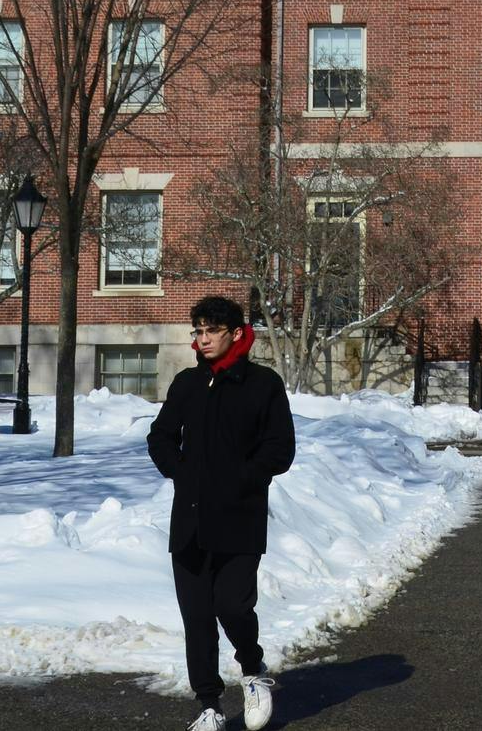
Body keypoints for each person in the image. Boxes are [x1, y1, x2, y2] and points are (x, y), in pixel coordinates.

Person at [148, 295, 296, 731]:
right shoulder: (187, 385)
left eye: (211, 330)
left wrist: (241, 481)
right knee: (197, 620)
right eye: (198, 330)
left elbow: (280, 450)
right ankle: (209, 706)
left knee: (232, 606)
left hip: (239, 519)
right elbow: (160, 438)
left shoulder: (262, 384)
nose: (203, 338)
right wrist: (182, 473)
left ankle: (252, 671)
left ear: (235, 334)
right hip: (190, 523)